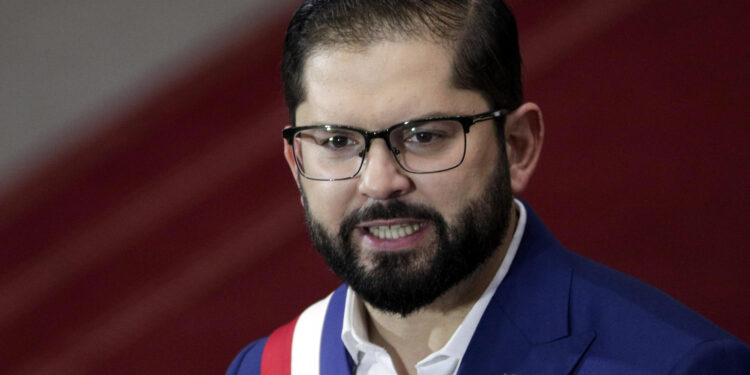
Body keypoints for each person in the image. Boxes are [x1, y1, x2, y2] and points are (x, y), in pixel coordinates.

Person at [227, 0, 750, 374]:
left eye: (425, 136)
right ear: (297, 165)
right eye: (338, 141)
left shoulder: (675, 364)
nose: (380, 182)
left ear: (518, 145)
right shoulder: (266, 368)